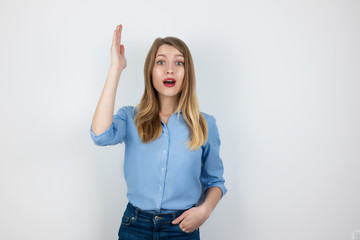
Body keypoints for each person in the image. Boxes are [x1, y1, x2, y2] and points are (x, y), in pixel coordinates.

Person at [90, 24, 227, 240]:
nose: (169, 69)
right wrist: (116, 68)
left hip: (182, 229)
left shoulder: (205, 124)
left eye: (179, 63)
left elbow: (215, 181)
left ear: (187, 73)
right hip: (134, 226)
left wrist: (205, 211)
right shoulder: (130, 117)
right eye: (161, 62)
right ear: (150, 71)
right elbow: (100, 135)